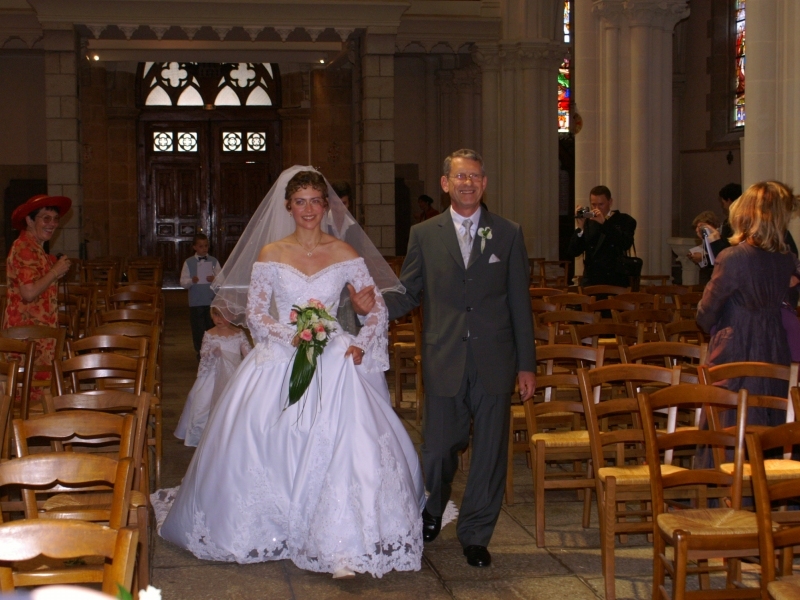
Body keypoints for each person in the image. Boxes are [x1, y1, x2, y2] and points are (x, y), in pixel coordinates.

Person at [158, 167, 425, 579]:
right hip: (283, 355)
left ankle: (341, 543)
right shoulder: (271, 253)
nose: (308, 209)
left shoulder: (345, 253)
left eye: (315, 201)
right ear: (288, 206)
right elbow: (258, 315)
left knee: (346, 444)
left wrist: (359, 341)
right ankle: (273, 523)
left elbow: (376, 308)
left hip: (335, 357)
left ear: (326, 206)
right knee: (266, 438)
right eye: (299, 201)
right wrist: (294, 336)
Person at [355, 148, 536, 569]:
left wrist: (526, 364)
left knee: (489, 454)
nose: (467, 183)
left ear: (484, 183)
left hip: (495, 361)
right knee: (437, 449)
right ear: (445, 183)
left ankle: (475, 535)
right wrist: (370, 305)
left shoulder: (507, 233)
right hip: (443, 357)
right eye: (460, 177)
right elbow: (409, 292)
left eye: (474, 176)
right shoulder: (425, 234)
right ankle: (433, 508)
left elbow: (518, 303)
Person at [697, 181, 800, 429]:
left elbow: (705, 313)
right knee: (767, 414)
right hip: (774, 345)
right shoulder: (787, 259)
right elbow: (790, 300)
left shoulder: (733, 257)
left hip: (737, 345)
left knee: (731, 422)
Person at [3, 194, 72, 395]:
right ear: (29, 220)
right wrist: (55, 272)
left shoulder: (36, 249)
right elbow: (29, 292)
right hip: (26, 339)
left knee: (36, 396)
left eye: (55, 219)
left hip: (39, 338)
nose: (52, 224)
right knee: (26, 398)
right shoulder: (24, 247)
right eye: (45, 218)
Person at [174, 306, 252, 446]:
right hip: (213, 376)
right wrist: (211, 354)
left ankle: (229, 436)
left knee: (231, 404)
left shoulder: (239, 334)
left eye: (223, 316)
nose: (218, 319)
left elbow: (248, 355)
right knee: (202, 402)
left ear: (233, 317)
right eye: (215, 315)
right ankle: (202, 435)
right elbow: (203, 355)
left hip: (232, 376)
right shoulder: (209, 334)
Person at [566, 185, 637, 288]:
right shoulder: (588, 222)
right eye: (593, 205)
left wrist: (604, 223)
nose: (596, 209)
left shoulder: (624, 220)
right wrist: (580, 227)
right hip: (591, 280)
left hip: (614, 279)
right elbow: (573, 251)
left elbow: (625, 243)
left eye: (601, 204)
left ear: (610, 202)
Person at [179, 233, 221, 359]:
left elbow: (222, 280)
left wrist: (215, 279)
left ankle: (213, 350)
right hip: (196, 301)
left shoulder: (214, 261)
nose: (204, 249)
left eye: (206, 246)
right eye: (201, 246)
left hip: (211, 300)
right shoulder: (189, 262)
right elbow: (183, 282)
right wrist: (192, 280)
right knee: (198, 328)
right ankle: (200, 351)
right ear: (195, 247)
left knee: (211, 326)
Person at [688, 210, 721, 285]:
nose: (697, 230)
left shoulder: (719, 239)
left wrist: (703, 257)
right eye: (697, 227)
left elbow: (718, 258)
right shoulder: (707, 239)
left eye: (700, 227)